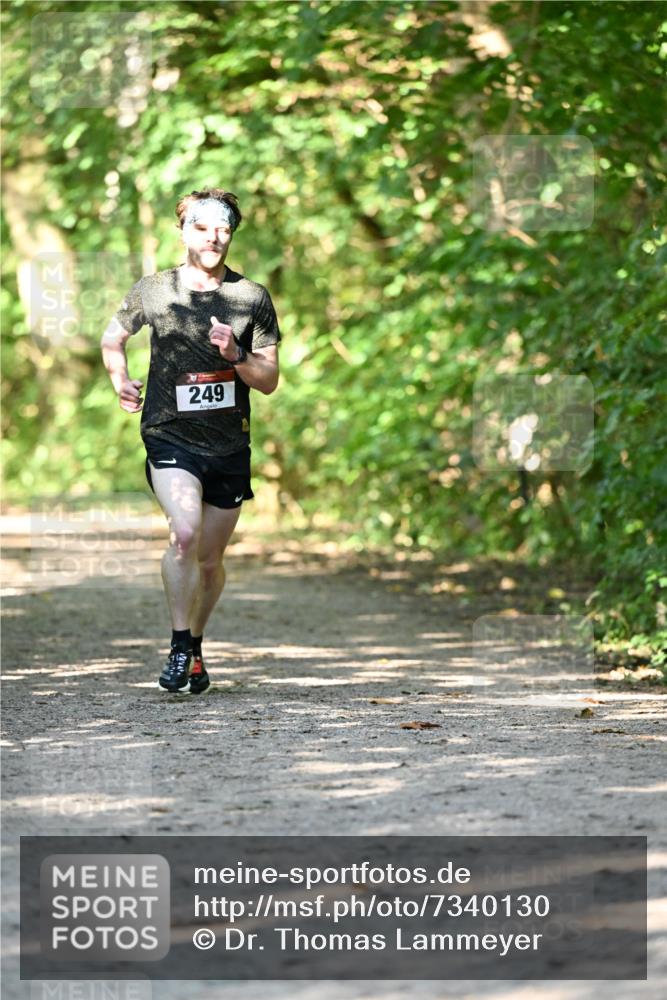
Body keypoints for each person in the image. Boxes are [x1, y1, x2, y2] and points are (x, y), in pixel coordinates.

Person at [101, 188, 281, 693]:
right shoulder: (154, 290)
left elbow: (267, 380)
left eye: (223, 228)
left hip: (229, 445)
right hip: (168, 433)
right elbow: (113, 337)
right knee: (183, 533)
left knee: (209, 560)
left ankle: (195, 645)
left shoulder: (251, 298)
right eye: (202, 227)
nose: (214, 237)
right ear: (183, 231)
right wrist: (121, 379)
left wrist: (237, 355)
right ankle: (179, 643)